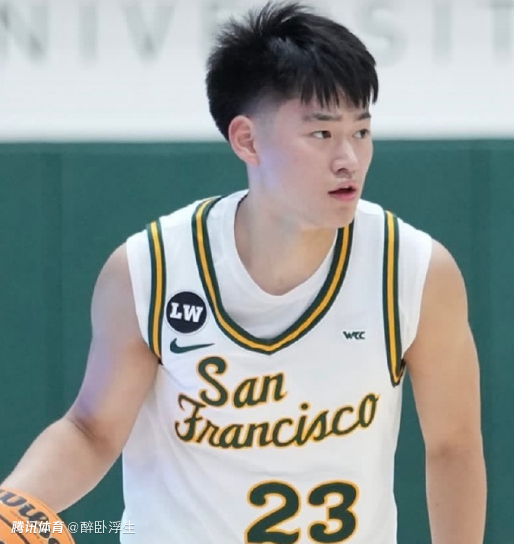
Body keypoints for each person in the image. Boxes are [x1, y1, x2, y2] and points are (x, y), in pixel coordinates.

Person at [1, 1, 486, 543]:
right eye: (322, 134)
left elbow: (454, 445)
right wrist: (13, 505)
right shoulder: (151, 270)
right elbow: (91, 429)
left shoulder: (413, 270)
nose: (348, 158)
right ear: (247, 140)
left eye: (361, 131)